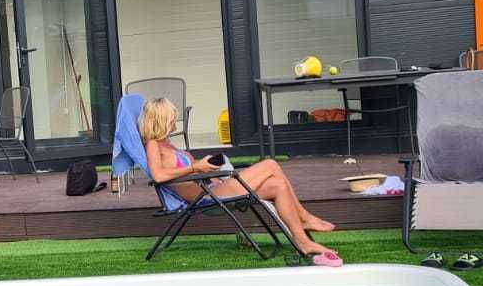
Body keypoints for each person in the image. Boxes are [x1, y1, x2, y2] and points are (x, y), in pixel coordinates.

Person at [139, 97, 341, 262]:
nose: (175, 121)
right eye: (171, 118)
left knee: (277, 185)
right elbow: (158, 176)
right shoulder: (153, 145)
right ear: (160, 120)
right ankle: (304, 218)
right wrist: (196, 167)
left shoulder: (168, 145)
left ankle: (302, 241)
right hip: (206, 197)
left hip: (213, 187)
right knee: (270, 164)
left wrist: (206, 168)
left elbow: (185, 172)